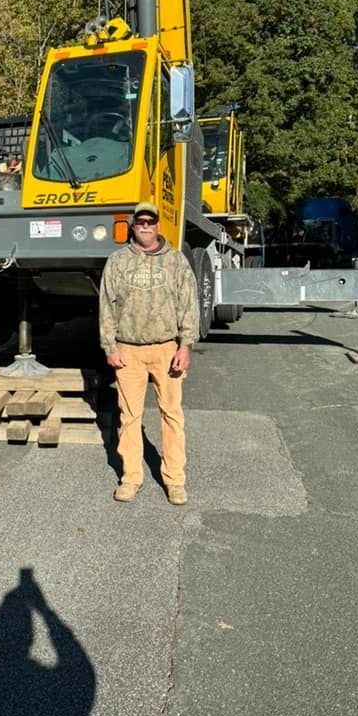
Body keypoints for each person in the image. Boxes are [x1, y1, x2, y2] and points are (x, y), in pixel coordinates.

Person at [99, 202, 199, 505]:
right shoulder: (117, 261)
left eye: (150, 221)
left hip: (167, 349)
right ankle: (131, 479)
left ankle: (175, 481)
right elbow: (106, 304)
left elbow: (189, 304)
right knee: (129, 417)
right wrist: (110, 346)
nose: (145, 226)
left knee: (172, 415)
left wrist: (185, 345)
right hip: (128, 351)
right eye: (140, 221)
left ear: (157, 225)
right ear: (133, 225)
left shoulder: (176, 261)